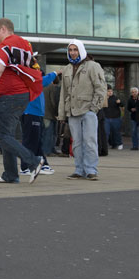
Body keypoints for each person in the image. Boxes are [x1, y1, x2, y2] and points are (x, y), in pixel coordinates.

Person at [0, 18, 44, 184]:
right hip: (19, 95)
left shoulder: (5, 45)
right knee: (7, 135)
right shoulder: (23, 44)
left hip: (7, 97)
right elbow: (12, 71)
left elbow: (0, 69)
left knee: (0, 135)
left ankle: (34, 161)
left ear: (3, 29)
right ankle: (10, 174)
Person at [58, 39, 107, 181]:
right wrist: (62, 114)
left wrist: (94, 108)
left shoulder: (93, 66)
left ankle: (91, 169)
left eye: (75, 50)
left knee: (90, 141)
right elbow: (63, 93)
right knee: (77, 143)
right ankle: (79, 169)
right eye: (70, 50)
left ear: (81, 50)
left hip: (88, 110)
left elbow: (101, 88)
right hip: (72, 111)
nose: (73, 53)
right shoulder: (67, 68)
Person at [19, 65, 60, 176]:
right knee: (30, 141)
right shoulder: (31, 78)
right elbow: (43, 80)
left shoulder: (34, 79)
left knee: (37, 141)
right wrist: (56, 73)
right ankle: (25, 166)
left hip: (36, 113)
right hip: (31, 113)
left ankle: (42, 164)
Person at [103, 85, 124, 150]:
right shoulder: (104, 98)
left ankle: (119, 143)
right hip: (106, 118)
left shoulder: (115, 98)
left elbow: (122, 104)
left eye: (111, 91)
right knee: (106, 132)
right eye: (108, 91)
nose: (110, 92)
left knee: (116, 132)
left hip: (116, 118)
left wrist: (120, 102)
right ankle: (106, 145)